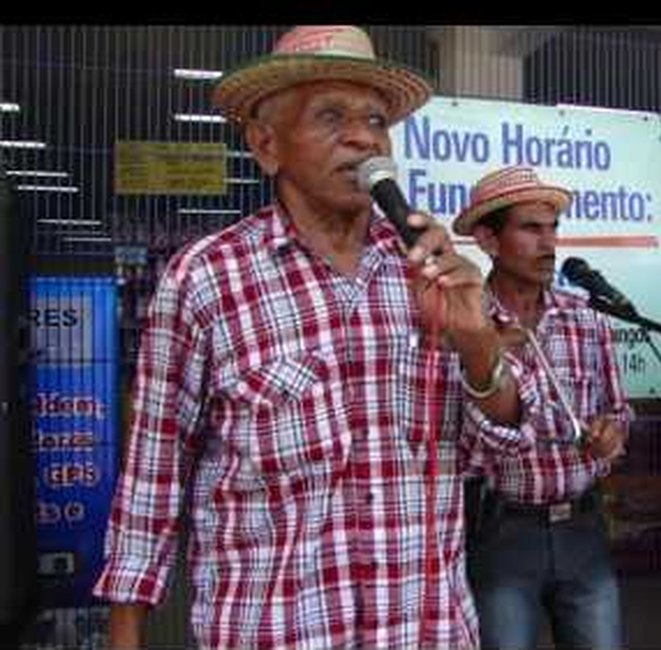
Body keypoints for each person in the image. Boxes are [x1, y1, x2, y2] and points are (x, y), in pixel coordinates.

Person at [92, 25, 544, 650]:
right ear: (266, 144)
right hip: (273, 631)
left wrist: (478, 346)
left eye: (376, 119)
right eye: (331, 115)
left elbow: (509, 454)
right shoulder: (206, 280)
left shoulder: (435, 276)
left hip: (424, 631)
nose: (362, 136)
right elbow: (152, 473)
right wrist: (126, 633)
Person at [453, 166, 633, 650]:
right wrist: (490, 355)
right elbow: (459, 443)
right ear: (489, 239)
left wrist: (611, 434)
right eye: (531, 229)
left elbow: (618, 409)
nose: (549, 243)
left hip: (583, 527)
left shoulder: (585, 318)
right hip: (501, 530)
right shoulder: (465, 325)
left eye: (552, 228)